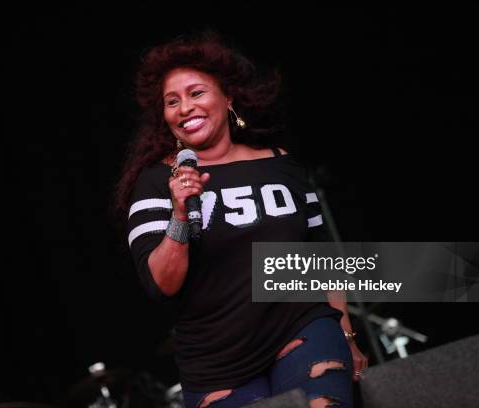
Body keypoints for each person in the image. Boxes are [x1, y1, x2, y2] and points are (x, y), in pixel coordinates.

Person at [115, 32, 368, 408]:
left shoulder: (280, 163)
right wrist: (181, 213)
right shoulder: (155, 182)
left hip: (302, 326)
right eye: (172, 101)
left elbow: (320, 257)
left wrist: (346, 336)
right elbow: (161, 284)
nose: (184, 107)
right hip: (217, 361)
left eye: (196, 93)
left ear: (228, 97)